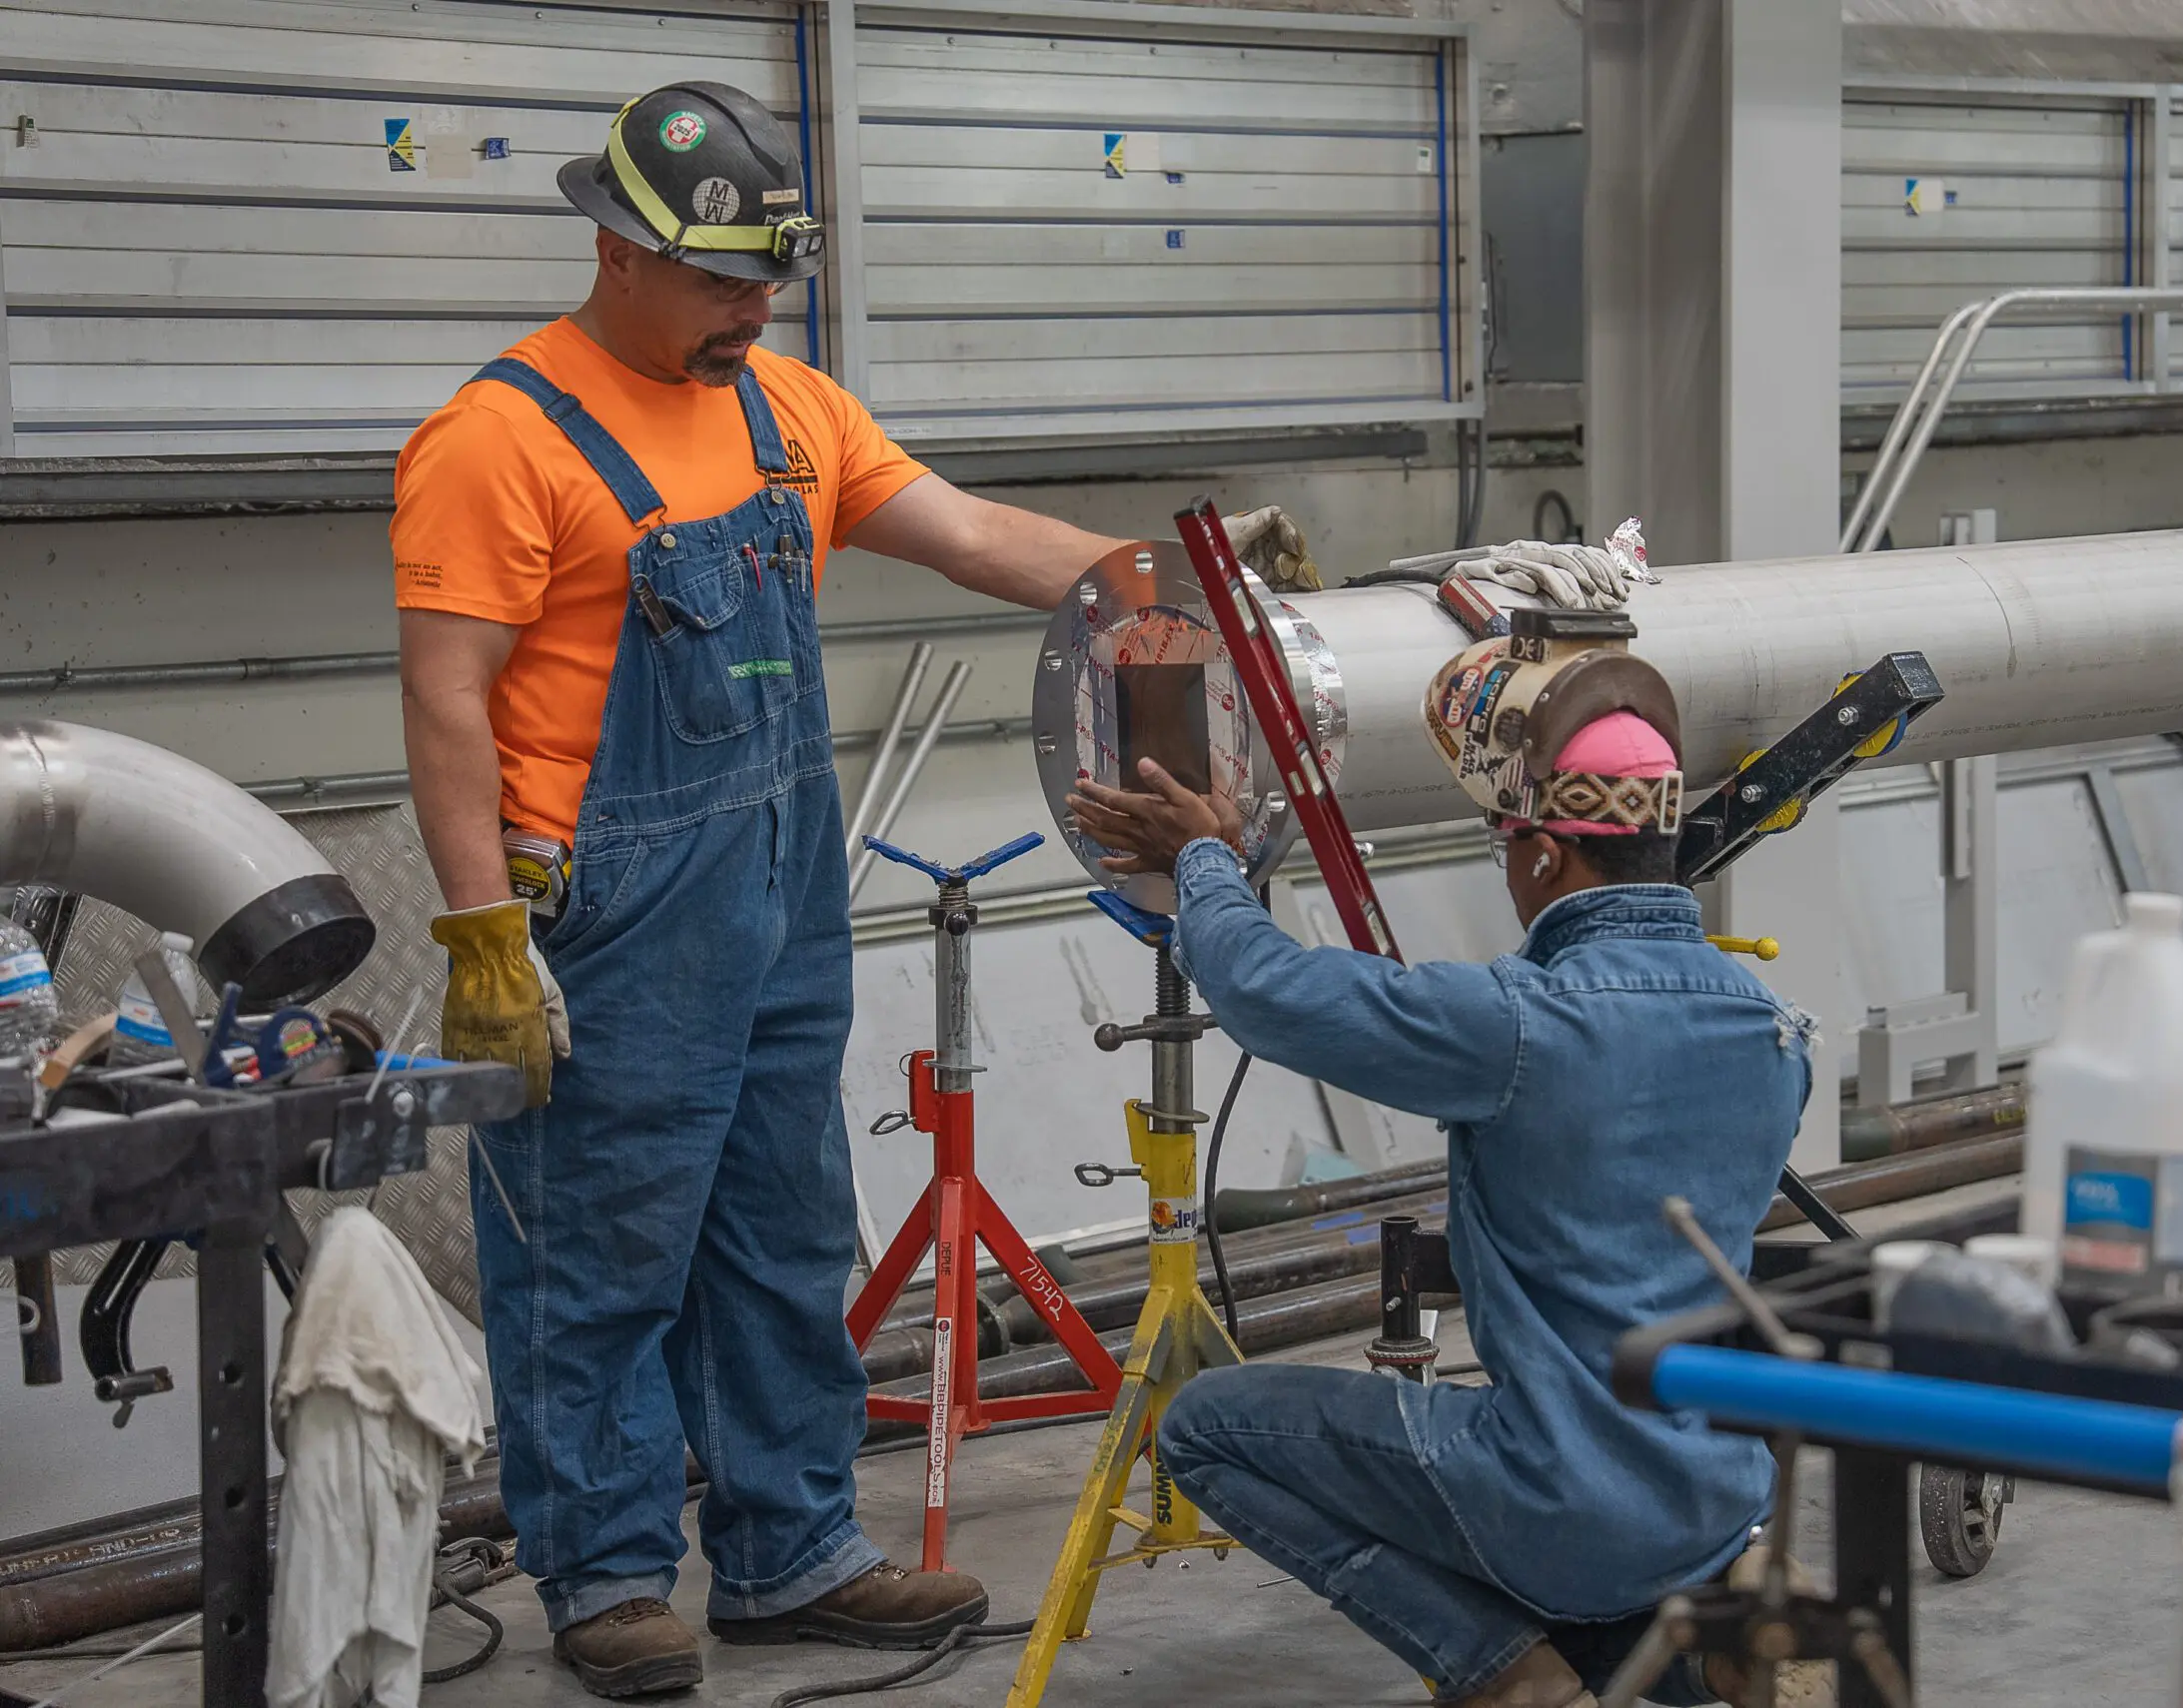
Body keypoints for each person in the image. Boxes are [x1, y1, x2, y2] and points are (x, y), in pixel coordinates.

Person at [392, 82, 1125, 1699]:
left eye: (765, 278)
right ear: (617, 249)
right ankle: (604, 1574)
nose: (752, 309)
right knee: (604, 1247)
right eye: (720, 280)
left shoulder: (786, 410)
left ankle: (793, 1550)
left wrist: (1161, 580)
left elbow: (978, 534)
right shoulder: (496, 440)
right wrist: (478, 937)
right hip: (607, 909)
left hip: (780, 882)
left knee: (785, 1228)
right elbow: (446, 695)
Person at [1065, 617, 1813, 1708]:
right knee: (1588, 1553)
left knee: (1203, 1430)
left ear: (1543, 852)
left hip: (1558, 1487)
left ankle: (1507, 1676)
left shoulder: (1519, 1023)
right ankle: (1697, 1653)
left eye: (1504, 848)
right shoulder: (1773, 1027)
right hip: (1718, 1493)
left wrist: (1205, 866)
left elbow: (1273, 993)